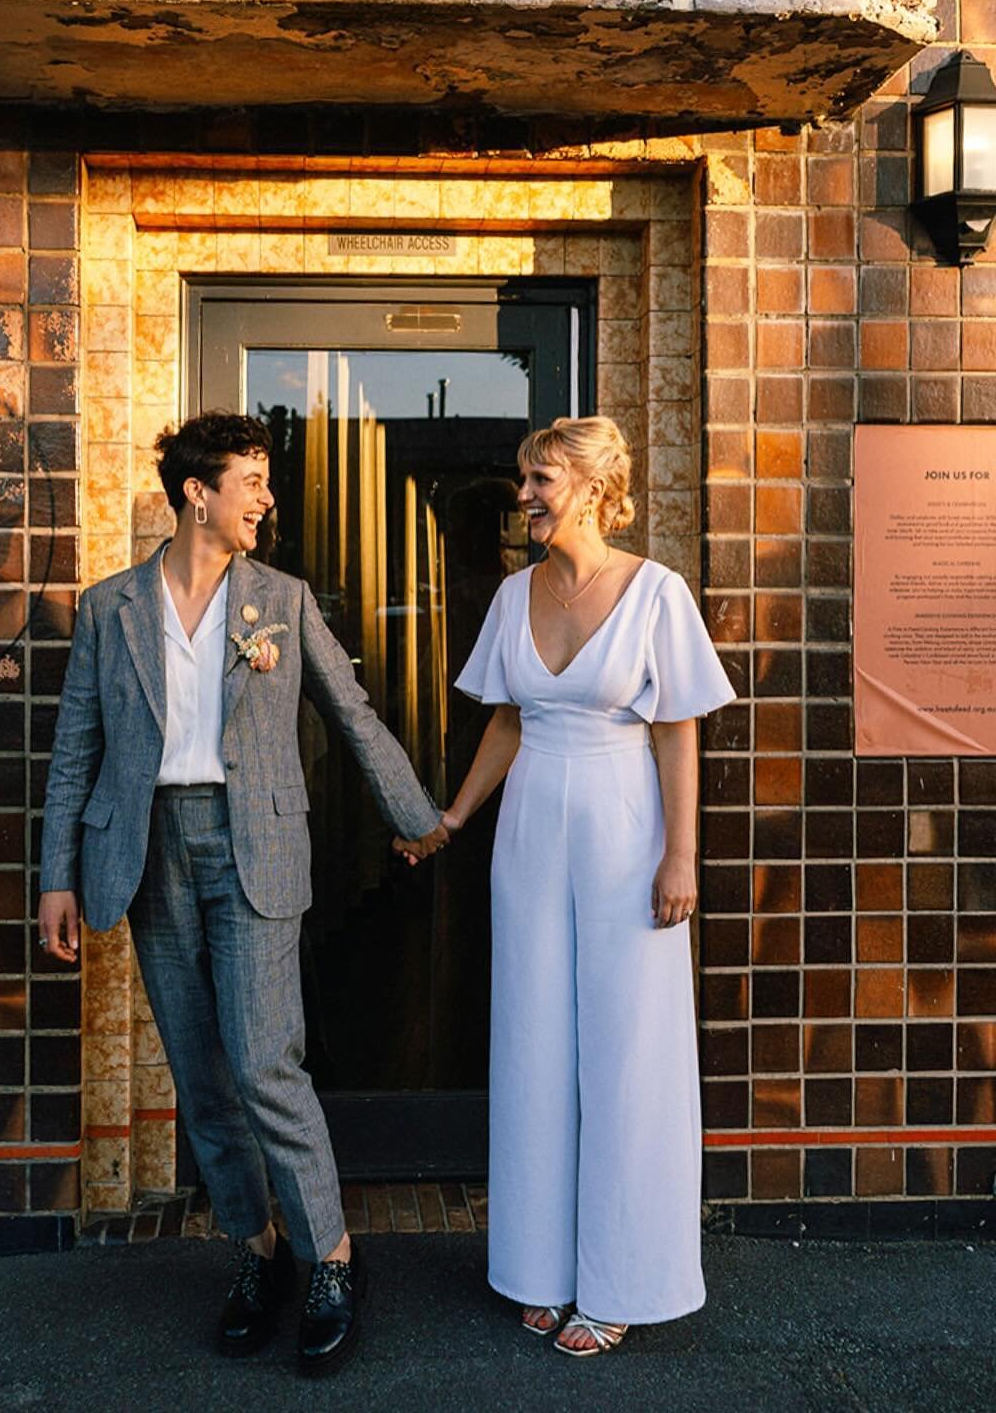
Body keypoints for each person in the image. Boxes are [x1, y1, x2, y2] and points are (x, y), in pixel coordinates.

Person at [37, 411, 448, 1376]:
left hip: (251, 846)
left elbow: (350, 711)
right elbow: (75, 754)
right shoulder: (112, 608)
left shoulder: (282, 599)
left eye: (266, 480)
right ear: (198, 494)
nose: (265, 498)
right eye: (251, 480)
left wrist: (414, 811)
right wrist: (57, 874)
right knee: (202, 1077)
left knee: (266, 1062)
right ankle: (256, 1252)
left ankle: (331, 1261)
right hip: (145, 854)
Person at [397, 415, 733, 1358]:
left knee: (628, 1051)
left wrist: (681, 855)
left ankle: (624, 1277)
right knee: (536, 1040)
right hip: (533, 829)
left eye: (540, 477)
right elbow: (506, 720)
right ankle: (542, 1267)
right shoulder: (514, 595)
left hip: (628, 827)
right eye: (523, 476)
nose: (525, 493)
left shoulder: (656, 593)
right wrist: (457, 816)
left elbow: (678, 729)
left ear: (590, 486)